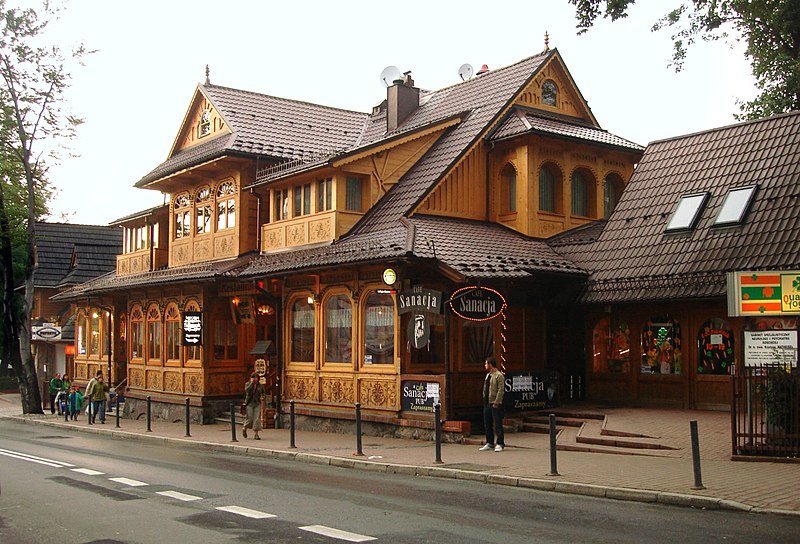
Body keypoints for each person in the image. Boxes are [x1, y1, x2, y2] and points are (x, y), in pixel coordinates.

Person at [479, 356, 505, 452]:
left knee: (497, 423)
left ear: (490, 364)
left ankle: (500, 443)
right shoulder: (488, 375)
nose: (485, 365)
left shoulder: (499, 376)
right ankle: (489, 442)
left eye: (486, 363)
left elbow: (501, 390)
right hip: (487, 403)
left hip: (495, 403)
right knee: (487, 423)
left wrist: (497, 402)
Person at [242, 372, 265, 440]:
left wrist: (262, 397)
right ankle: (244, 428)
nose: (255, 379)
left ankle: (256, 434)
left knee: (257, 418)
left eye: (256, 378)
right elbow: (247, 390)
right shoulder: (247, 384)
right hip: (249, 403)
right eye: (253, 377)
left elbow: (263, 392)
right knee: (250, 418)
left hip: (257, 403)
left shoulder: (260, 386)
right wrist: (251, 384)